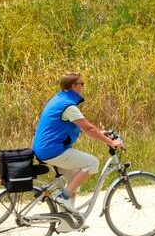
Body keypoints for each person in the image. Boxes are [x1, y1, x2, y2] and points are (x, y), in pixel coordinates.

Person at [31, 71, 122, 212]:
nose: (83, 87)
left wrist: (101, 133)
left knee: (73, 180)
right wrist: (111, 142)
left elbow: (73, 126)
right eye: (82, 84)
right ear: (74, 86)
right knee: (92, 162)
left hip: (46, 148)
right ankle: (63, 196)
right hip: (53, 150)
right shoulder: (68, 106)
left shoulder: (59, 99)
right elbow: (88, 128)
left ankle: (66, 221)